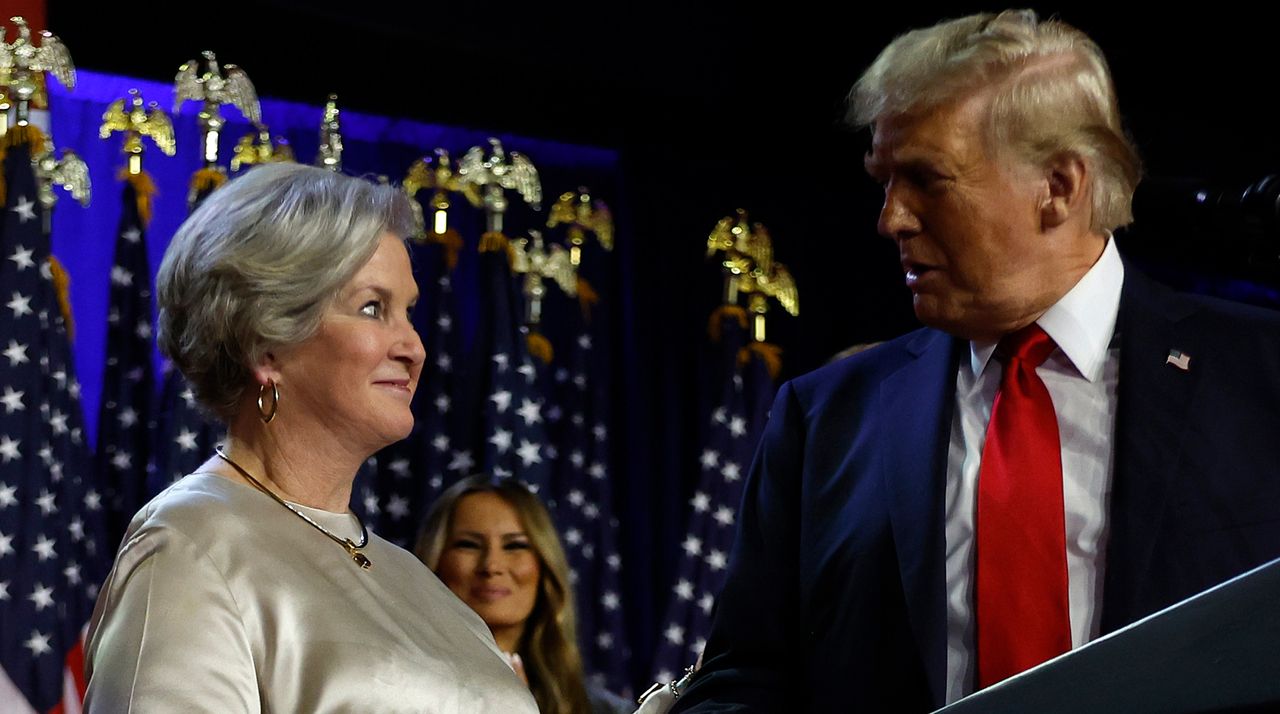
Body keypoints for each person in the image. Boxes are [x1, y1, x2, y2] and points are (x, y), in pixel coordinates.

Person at [674, 9, 1280, 712]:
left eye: (927, 180)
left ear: (1059, 186)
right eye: (884, 181)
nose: (891, 218)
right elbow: (744, 682)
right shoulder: (826, 420)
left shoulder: (1262, 376)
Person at [83, 163, 537, 712]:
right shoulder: (188, 547)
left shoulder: (413, 577)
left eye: (409, 312)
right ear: (265, 345)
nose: (412, 347)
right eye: (373, 308)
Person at [416, 475, 633, 714]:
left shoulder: (610, 711)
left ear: (545, 566)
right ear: (435, 559)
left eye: (515, 546)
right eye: (468, 544)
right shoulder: (391, 690)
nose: (491, 566)